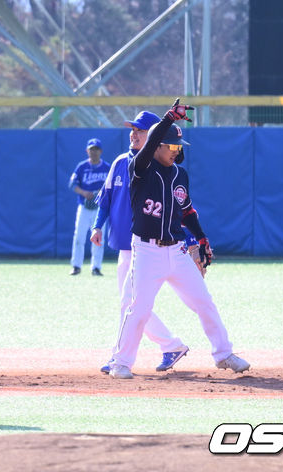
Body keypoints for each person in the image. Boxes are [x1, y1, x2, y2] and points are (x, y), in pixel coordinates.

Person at [108, 100, 250, 379]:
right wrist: (167, 120)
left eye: (178, 148)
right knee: (139, 307)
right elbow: (147, 147)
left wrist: (201, 238)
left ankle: (224, 354)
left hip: (177, 251)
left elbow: (186, 211)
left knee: (204, 302)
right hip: (146, 252)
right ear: (158, 145)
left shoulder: (179, 174)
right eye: (170, 146)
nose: (175, 151)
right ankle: (120, 362)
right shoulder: (139, 169)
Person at [90, 111, 189, 374]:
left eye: (141, 130)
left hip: (145, 247)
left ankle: (124, 356)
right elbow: (106, 198)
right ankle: (170, 346)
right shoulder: (121, 162)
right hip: (125, 245)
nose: (134, 134)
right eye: (132, 129)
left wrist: (190, 239)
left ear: (155, 137)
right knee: (131, 304)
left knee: (130, 303)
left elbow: (178, 208)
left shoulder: (160, 169)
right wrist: (97, 225)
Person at [69, 138, 110, 276]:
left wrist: (101, 192)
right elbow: (72, 184)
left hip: (100, 209)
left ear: (101, 151)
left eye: (96, 149)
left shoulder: (107, 168)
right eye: (91, 149)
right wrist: (83, 192)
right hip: (84, 207)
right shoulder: (81, 167)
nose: (94, 152)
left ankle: (96, 267)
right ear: (87, 151)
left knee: (99, 238)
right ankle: (76, 266)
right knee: (79, 237)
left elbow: (113, 186)